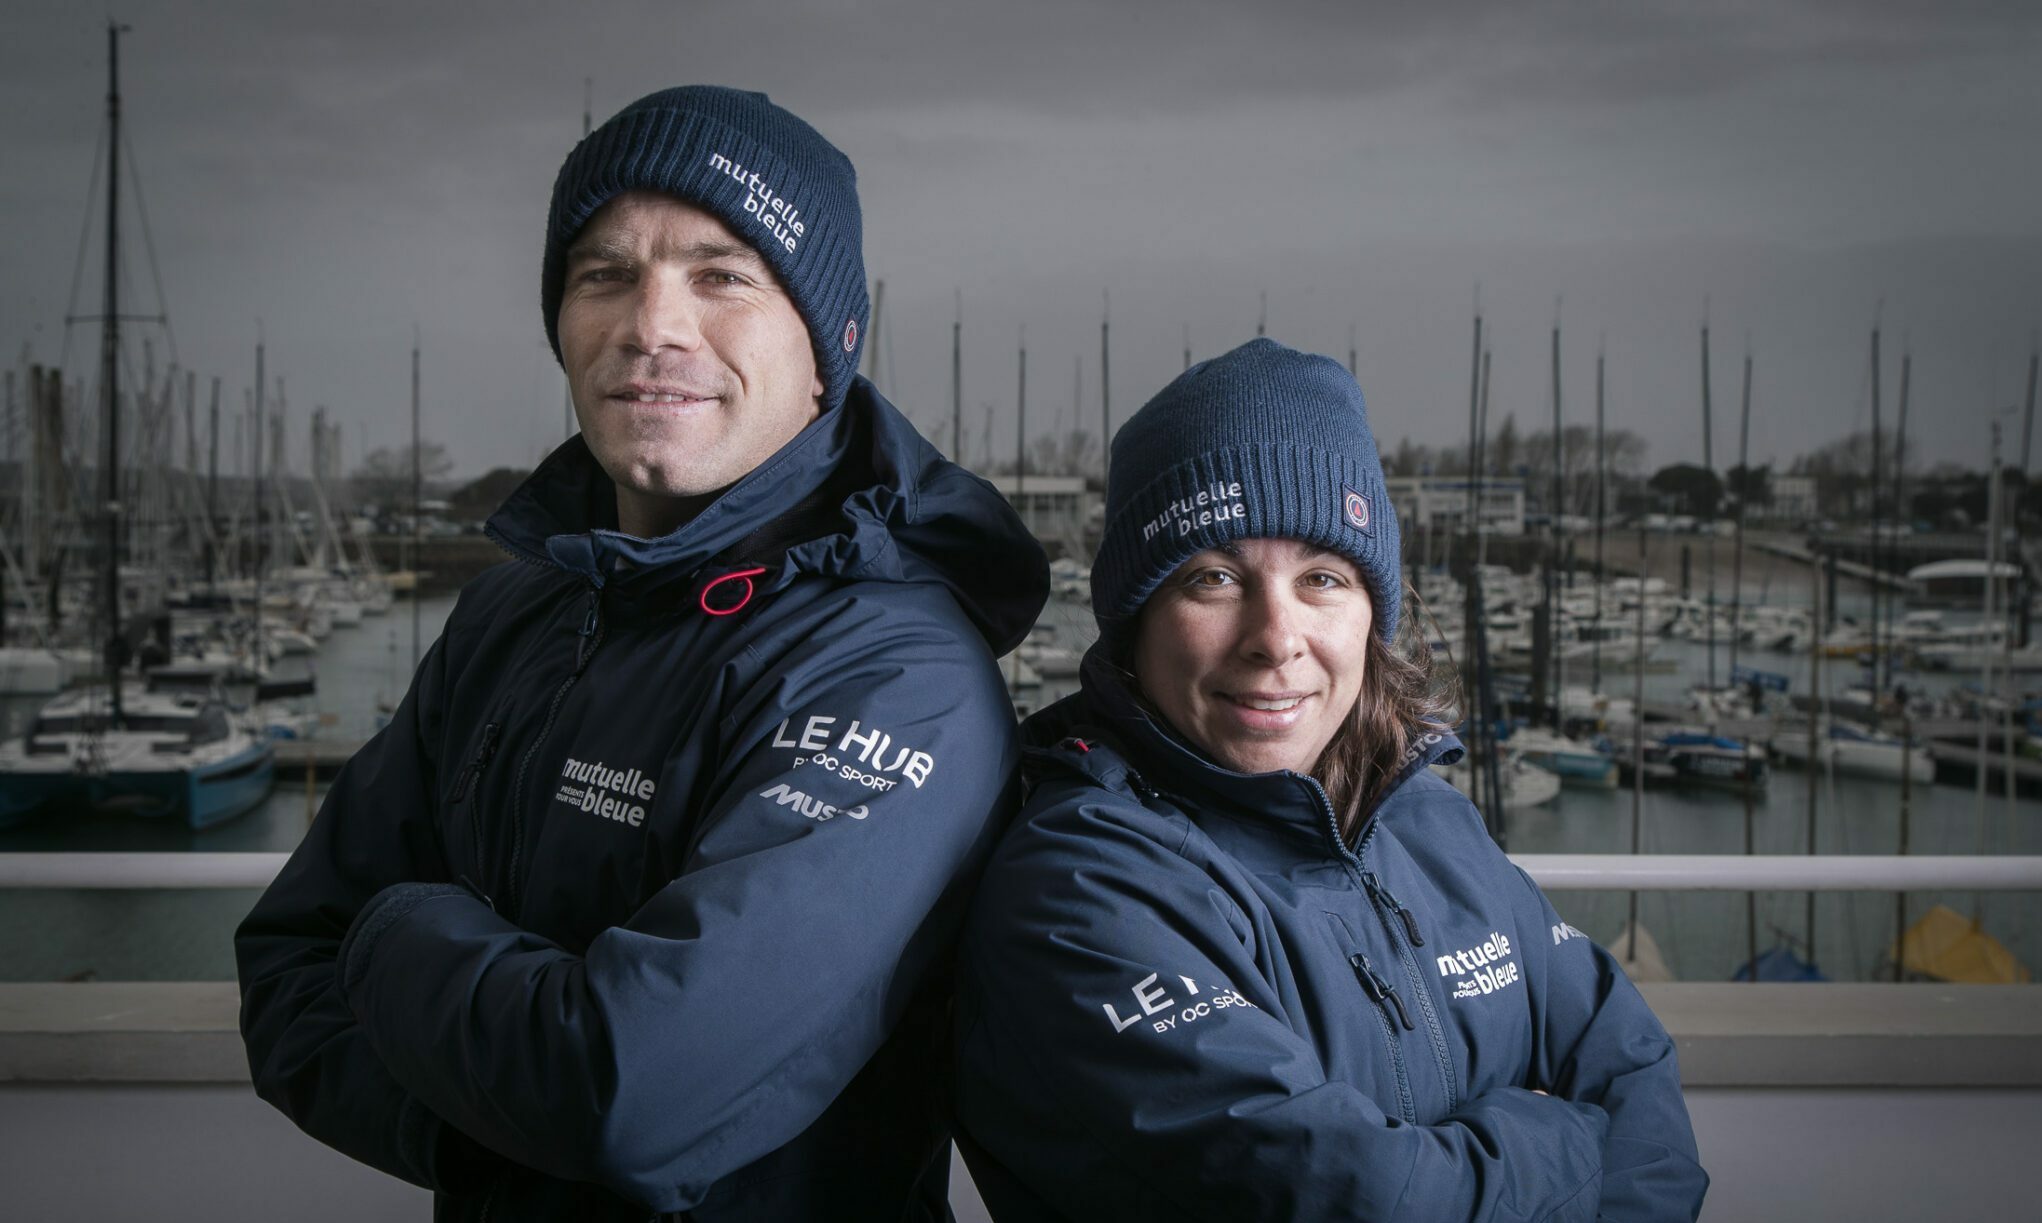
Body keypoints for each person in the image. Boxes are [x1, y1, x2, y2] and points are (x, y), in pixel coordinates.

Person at [237, 86, 1048, 1222]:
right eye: (603, 272)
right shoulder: (515, 612)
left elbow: (628, 1090)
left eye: (721, 275)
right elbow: (279, 968)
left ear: (826, 350)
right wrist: (491, 1144)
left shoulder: (896, 676)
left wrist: (388, 929)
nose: (649, 325)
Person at [953, 338, 1706, 1221]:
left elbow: (1635, 1074)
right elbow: (1348, 1202)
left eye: (1322, 577)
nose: (1277, 636)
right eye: (1214, 577)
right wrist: (1564, 1140)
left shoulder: (1428, 818)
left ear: (1371, 613)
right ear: (1136, 621)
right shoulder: (1077, 893)